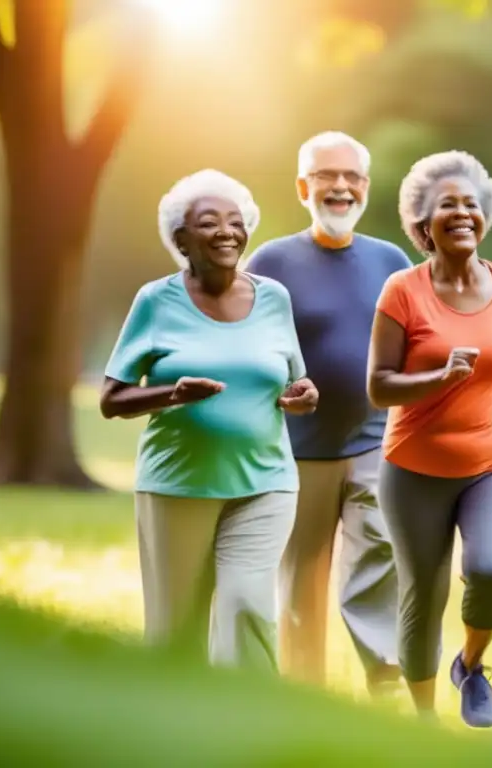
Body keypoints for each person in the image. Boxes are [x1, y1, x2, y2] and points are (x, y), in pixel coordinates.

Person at [100, 169, 319, 669]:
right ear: (181, 239)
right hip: (178, 485)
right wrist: (172, 393)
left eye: (235, 221)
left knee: (247, 607)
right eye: (208, 222)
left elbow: (295, 382)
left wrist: (302, 396)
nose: (226, 230)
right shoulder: (156, 301)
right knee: (176, 631)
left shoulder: (274, 298)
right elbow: (112, 399)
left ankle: (248, 728)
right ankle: (174, 731)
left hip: (265, 481)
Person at [366, 150, 492, 728]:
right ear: (424, 222)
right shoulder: (402, 290)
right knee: (425, 593)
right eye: (449, 205)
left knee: (491, 569)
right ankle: (424, 724)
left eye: (472, 204)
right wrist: (437, 378)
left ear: (485, 216)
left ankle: (470, 666)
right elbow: (378, 386)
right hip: (413, 468)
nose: (463, 213)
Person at [244, 131, 410, 695]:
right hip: (296, 449)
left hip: (374, 441)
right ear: (302, 187)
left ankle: (386, 675)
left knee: (381, 554)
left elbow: (417, 342)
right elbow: (248, 343)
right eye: (325, 177)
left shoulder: (391, 260)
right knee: (300, 581)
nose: (340, 187)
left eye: (352, 178)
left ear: (365, 187)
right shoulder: (271, 260)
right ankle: (303, 693)